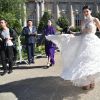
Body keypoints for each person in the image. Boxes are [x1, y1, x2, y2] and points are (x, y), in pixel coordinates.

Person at [46, 5, 100, 90]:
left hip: (93, 42)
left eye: (87, 11)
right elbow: (81, 32)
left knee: (91, 62)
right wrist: (72, 34)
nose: (85, 13)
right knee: (83, 62)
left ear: (90, 11)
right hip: (83, 42)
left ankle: (92, 80)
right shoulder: (83, 21)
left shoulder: (95, 20)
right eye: (84, 12)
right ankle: (86, 81)